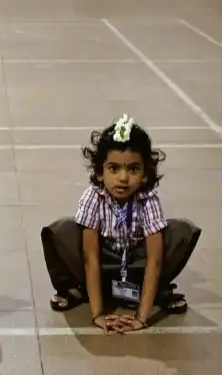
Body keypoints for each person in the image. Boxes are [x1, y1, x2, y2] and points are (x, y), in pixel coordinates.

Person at [41, 115, 200, 333]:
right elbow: (90, 257)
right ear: (100, 172)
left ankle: (154, 291)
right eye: (114, 168)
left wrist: (141, 317)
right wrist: (97, 314)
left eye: (133, 169)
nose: (123, 178)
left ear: (145, 174)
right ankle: (79, 289)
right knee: (62, 230)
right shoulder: (93, 197)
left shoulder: (148, 199)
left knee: (180, 231)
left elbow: (154, 260)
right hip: (103, 262)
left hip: (136, 263)